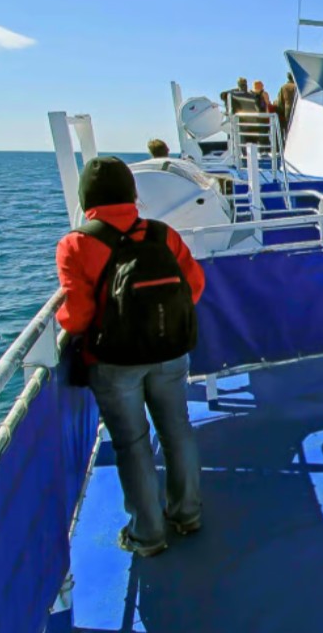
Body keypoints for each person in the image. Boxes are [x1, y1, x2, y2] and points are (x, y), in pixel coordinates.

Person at [55, 157, 205, 557]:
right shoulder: (163, 234)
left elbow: (78, 315)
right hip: (170, 353)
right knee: (177, 432)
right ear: (131, 192)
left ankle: (148, 534)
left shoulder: (76, 244)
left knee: (133, 444)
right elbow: (194, 286)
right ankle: (187, 513)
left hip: (115, 363)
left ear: (87, 197)